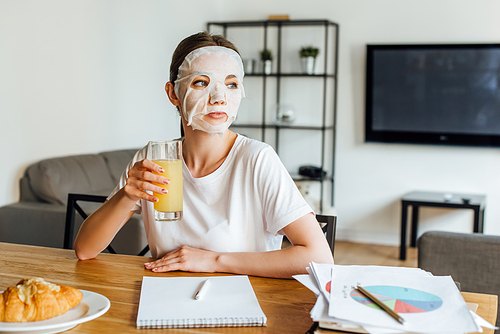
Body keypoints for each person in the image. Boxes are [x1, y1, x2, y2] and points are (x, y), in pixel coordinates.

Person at [74, 32, 333, 278]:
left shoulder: (257, 159)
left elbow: (319, 258)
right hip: (165, 297)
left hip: (245, 301)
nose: (219, 97)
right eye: (201, 82)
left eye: (231, 84)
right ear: (173, 93)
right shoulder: (155, 158)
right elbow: (85, 250)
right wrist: (127, 194)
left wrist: (212, 260)